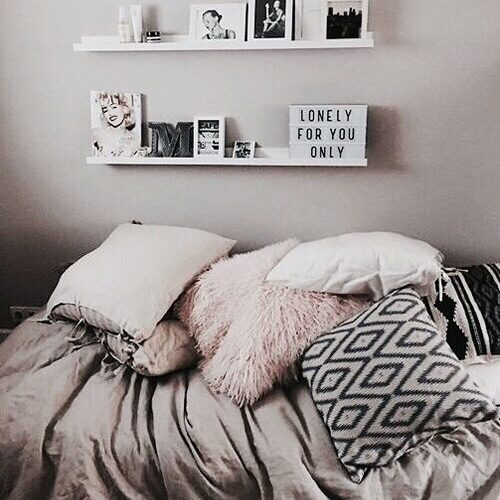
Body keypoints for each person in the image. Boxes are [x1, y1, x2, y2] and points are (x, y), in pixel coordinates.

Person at [92, 92, 141, 157]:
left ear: (125, 108)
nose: (110, 113)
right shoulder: (96, 134)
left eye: (114, 107)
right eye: (105, 110)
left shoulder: (136, 138)